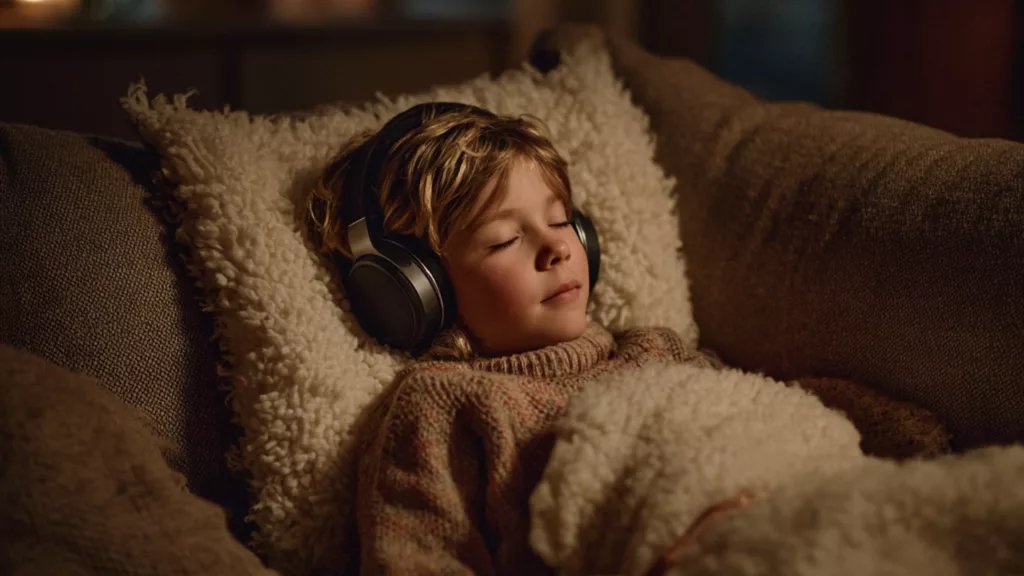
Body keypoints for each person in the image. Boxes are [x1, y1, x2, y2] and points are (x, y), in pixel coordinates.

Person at [305, 102, 945, 575]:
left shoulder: (654, 350)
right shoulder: (447, 403)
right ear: (414, 290)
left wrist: (897, 434)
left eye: (561, 221)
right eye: (504, 239)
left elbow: (758, 411)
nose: (557, 246)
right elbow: (418, 560)